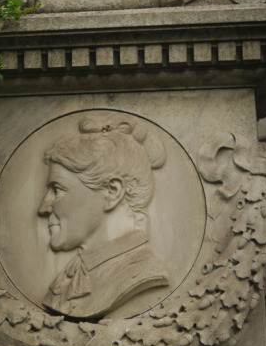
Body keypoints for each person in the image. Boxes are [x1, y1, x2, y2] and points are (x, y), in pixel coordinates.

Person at [38, 114, 169, 318]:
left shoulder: (141, 273)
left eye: (57, 189)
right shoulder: (71, 276)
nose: (43, 207)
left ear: (112, 192)